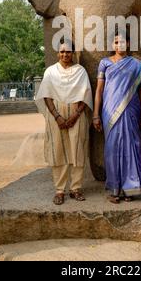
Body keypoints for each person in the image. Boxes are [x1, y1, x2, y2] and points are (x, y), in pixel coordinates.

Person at [93, 32, 141, 204]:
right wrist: (95, 114)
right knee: (112, 150)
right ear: (112, 45)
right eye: (116, 42)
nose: (119, 45)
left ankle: (129, 188)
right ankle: (114, 189)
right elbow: (99, 91)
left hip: (131, 110)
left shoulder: (137, 65)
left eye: (123, 42)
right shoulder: (105, 63)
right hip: (109, 111)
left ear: (129, 44)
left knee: (131, 146)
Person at [36, 38, 93, 206]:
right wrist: (57, 116)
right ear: (57, 53)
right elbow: (46, 96)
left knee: (78, 150)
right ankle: (59, 190)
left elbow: (85, 95)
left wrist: (75, 115)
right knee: (58, 152)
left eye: (68, 51)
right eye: (62, 51)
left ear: (73, 53)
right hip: (56, 115)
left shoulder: (80, 71)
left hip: (77, 114)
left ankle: (76, 188)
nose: (65, 54)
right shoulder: (51, 72)